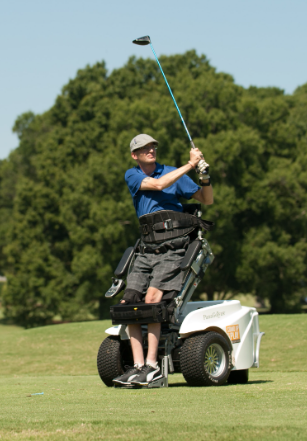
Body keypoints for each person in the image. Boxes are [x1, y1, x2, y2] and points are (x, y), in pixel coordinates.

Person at [113, 134, 213, 386]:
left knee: (153, 300)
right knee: (129, 303)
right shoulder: (133, 175)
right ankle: (137, 367)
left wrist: (204, 176)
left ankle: (152, 366)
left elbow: (206, 199)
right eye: (144, 148)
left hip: (173, 247)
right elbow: (157, 186)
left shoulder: (173, 173)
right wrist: (189, 165)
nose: (150, 150)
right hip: (146, 249)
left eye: (153, 146)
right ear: (134, 155)